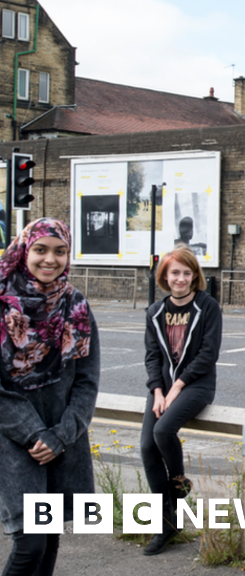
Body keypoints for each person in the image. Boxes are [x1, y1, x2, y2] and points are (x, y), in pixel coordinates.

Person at [0, 218, 98, 576]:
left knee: (50, 535)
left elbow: (87, 382)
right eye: (40, 250)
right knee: (30, 543)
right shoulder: (2, 304)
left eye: (60, 251)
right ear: (24, 251)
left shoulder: (75, 305)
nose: (50, 260)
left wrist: (60, 436)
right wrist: (34, 434)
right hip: (15, 439)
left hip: (62, 439)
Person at [140, 247, 222, 556]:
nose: (181, 278)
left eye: (187, 273)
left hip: (196, 386)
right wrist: (157, 390)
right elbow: (152, 356)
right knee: (148, 447)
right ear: (165, 276)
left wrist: (177, 387)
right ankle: (167, 522)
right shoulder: (155, 312)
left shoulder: (207, 306)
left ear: (195, 276)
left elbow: (208, 353)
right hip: (164, 389)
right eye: (175, 272)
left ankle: (177, 481)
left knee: (163, 432)